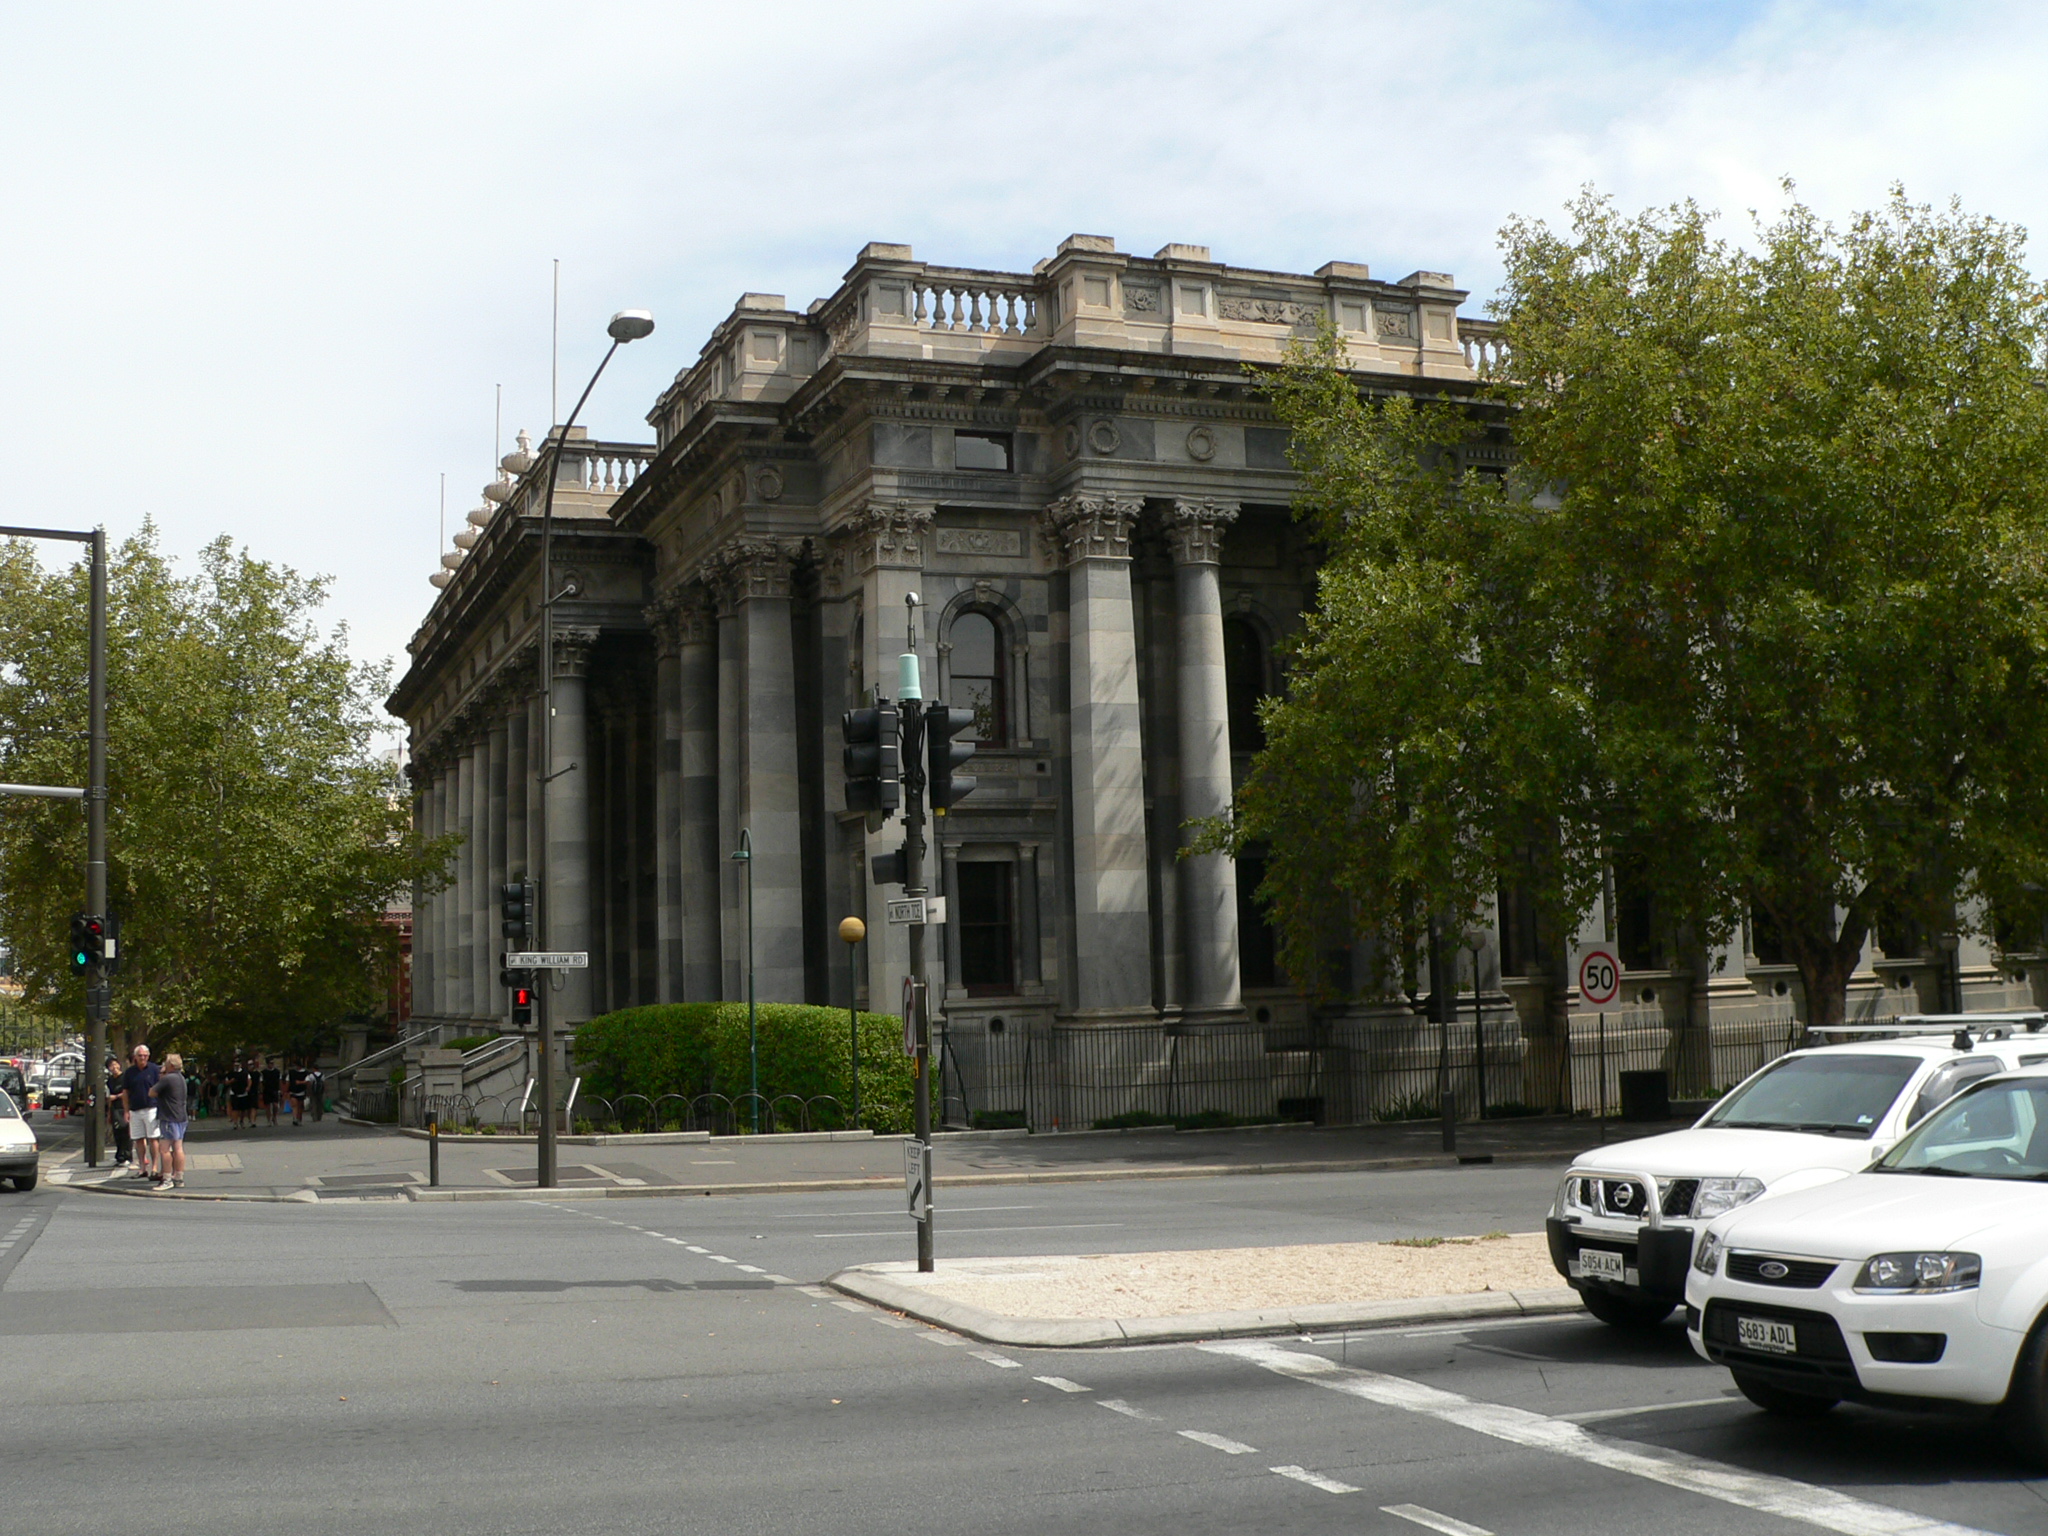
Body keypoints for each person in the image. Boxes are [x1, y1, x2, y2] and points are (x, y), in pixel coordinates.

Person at [120, 1044, 160, 1182]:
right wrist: (126, 1110)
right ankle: (142, 1168)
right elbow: (125, 1092)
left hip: (151, 1109)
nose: (143, 1058)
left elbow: (161, 1089)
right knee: (138, 1139)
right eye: (140, 1055)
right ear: (135, 1057)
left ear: (148, 1056)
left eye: (145, 1055)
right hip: (135, 1110)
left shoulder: (155, 1070)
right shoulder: (130, 1072)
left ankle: (154, 1167)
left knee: (153, 1139)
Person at [150, 1053, 189, 1189]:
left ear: (170, 1065)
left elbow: (152, 1092)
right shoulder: (181, 1078)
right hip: (181, 1117)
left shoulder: (167, 1079)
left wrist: (161, 1076)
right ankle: (178, 1177)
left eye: (165, 1063)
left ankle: (167, 1179)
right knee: (178, 1148)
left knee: (164, 1149)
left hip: (169, 1117)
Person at [104, 1056, 131, 1166]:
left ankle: (127, 1156)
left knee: (126, 1132)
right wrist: (109, 1113)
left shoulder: (125, 1077)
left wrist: (116, 1097)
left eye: (115, 1064)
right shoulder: (110, 1080)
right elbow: (109, 1096)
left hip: (124, 1107)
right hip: (115, 1108)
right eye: (111, 1066)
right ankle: (119, 1157)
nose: (114, 1067)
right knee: (117, 1133)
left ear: (119, 1065)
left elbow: (127, 1092)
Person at [227, 1057, 253, 1129]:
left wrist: (248, 1087)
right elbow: (226, 1082)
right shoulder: (231, 1073)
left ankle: (241, 1120)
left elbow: (249, 1080)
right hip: (234, 1092)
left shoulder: (245, 1072)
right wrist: (230, 1081)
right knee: (235, 1108)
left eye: (238, 1065)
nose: (236, 1066)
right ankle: (235, 1123)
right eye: (235, 1065)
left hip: (243, 1092)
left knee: (243, 1109)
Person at [259, 1056, 282, 1127]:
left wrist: (280, 1090)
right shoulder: (263, 1073)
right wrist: (261, 1091)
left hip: (275, 1089)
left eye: (272, 1063)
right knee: (268, 1106)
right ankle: (269, 1120)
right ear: (267, 1064)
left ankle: (274, 1117)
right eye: (270, 1063)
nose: (271, 1065)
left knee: (275, 1105)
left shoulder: (277, 1072)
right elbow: (261, 1082)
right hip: (267, 1090)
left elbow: (280, 1081)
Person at [287, 1061, 309, 1126]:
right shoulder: (291, 1073)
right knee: (294, 1105)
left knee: (300, 1106)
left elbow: (307, 1081)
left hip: (301, 1091)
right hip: (293, 1091)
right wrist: (287, 1091)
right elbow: (288, 1081)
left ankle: (299, 1119)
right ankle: (295, 1118)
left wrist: (300, 1082)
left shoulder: (305, 1073)